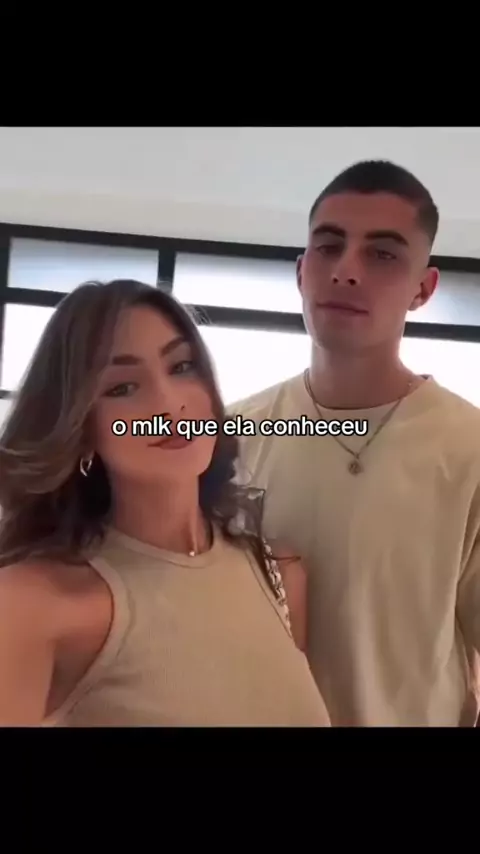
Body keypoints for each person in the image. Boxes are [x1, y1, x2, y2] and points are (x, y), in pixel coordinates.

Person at [0, 278, 330, 727]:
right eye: (122, 388)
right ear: (80, 430)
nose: (169, 405)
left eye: (181, 367)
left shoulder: (280, 575)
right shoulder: (31, 605)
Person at [230, 160, 480, 727]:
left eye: (382, 254)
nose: (345, 271)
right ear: (301, 271)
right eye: (328, 247)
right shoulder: (227, 436)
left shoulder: (469, 450)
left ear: (423, 289)